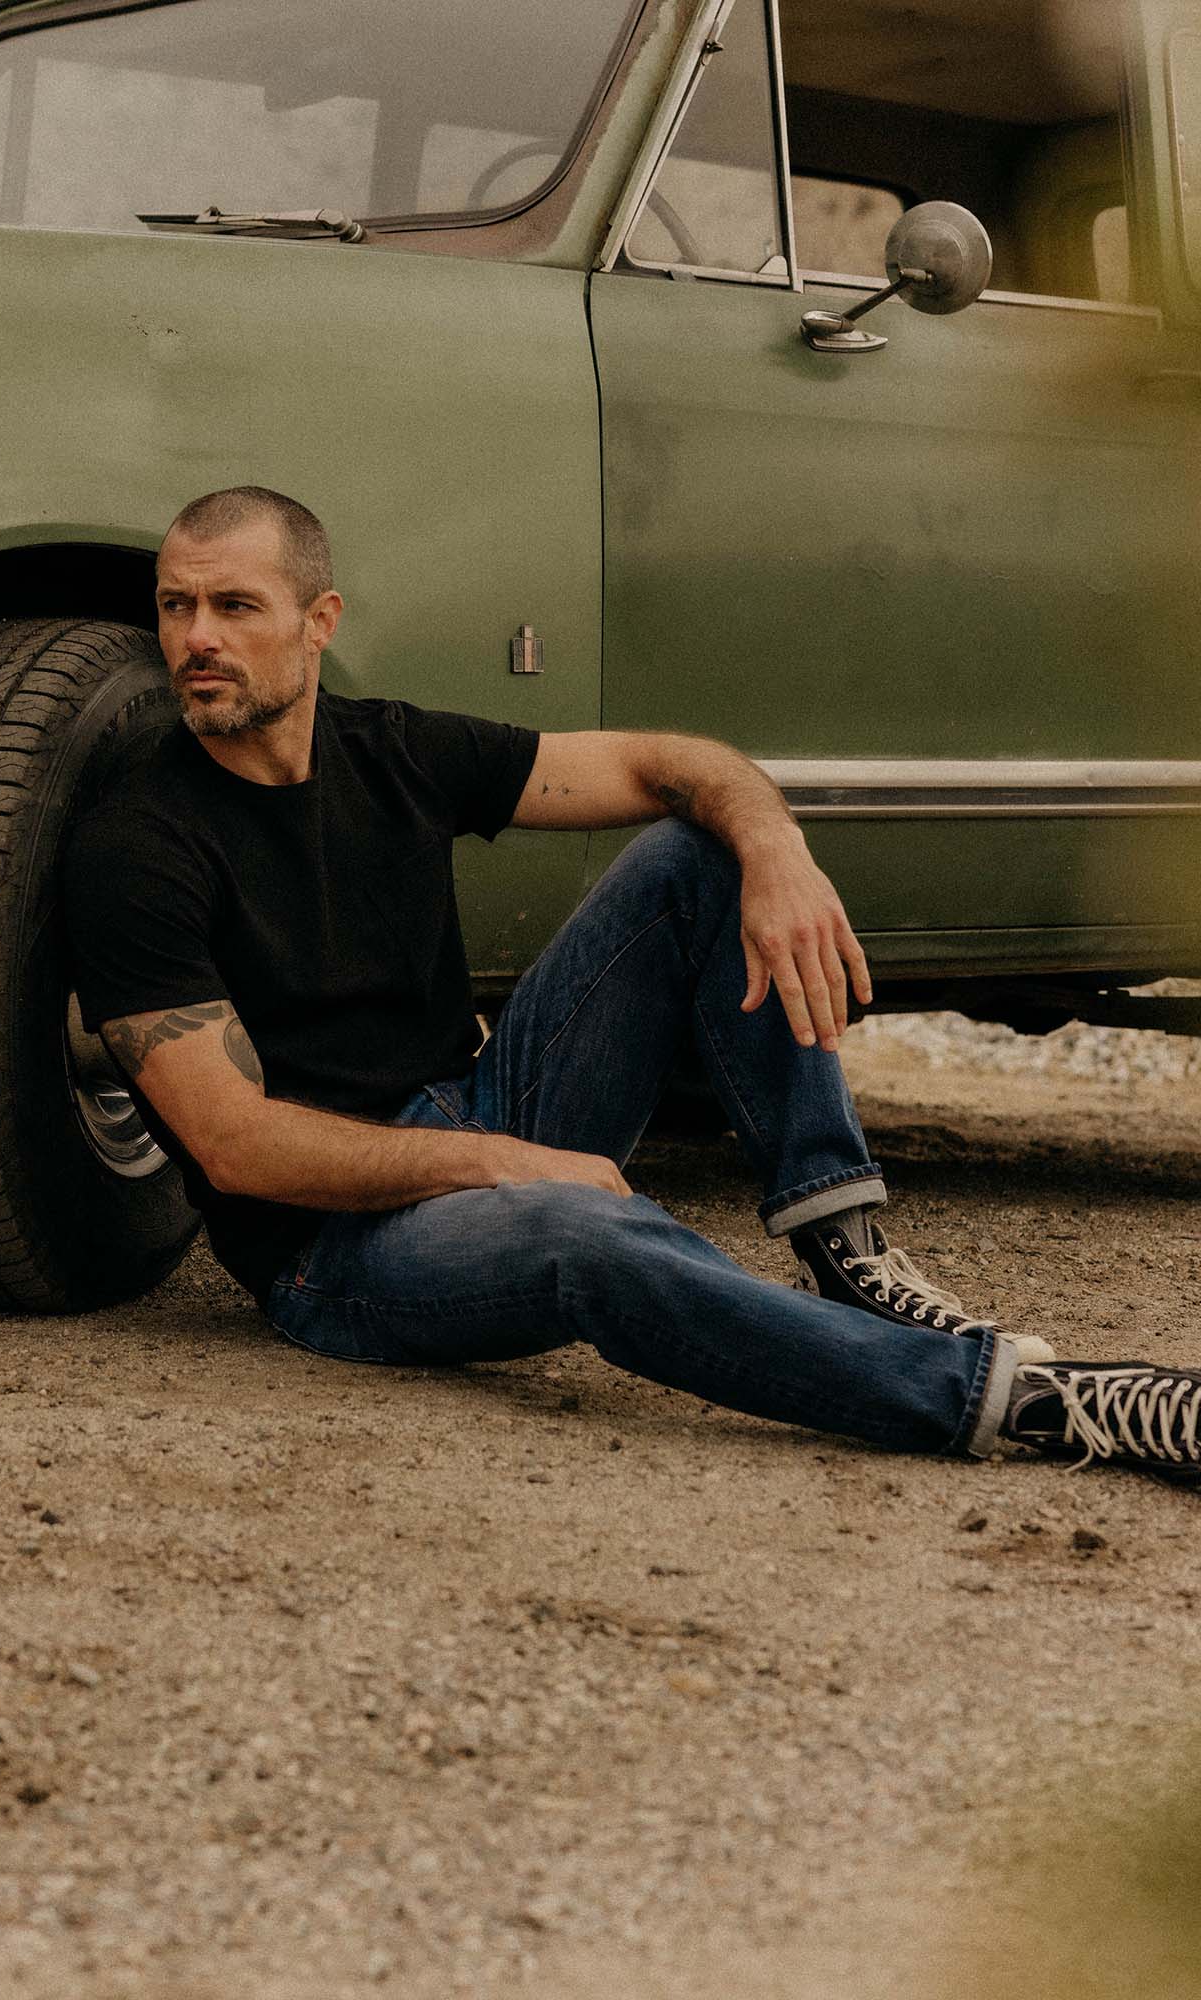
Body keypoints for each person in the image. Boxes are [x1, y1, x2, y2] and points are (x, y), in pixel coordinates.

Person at [63, 485, 1201, 1483]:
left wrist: (777, 852)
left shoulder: (393, 750)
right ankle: (1023, 1402)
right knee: (589, 1239)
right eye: (175, 606)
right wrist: (504, 1162)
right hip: (334, 1248)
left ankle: (845, 1250)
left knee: (698, 849)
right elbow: (237, 1147)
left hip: (474, 1107)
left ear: (320, 623)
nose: (194, 639)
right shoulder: (138, 846)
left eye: (232, 606)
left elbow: (670, 763)